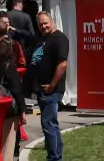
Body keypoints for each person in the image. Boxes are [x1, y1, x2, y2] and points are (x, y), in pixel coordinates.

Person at [31, 13, 69, 161]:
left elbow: (62, 64)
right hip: (43, 89)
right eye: (40, 24)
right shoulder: (44, 39)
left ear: (52, 21)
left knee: (48, 124)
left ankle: (53, 158)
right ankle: (56, 155)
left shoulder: (59, 38)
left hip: (51, 90)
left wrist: (52, 85)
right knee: (51, 124)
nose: (43, 26)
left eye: (46, 23)